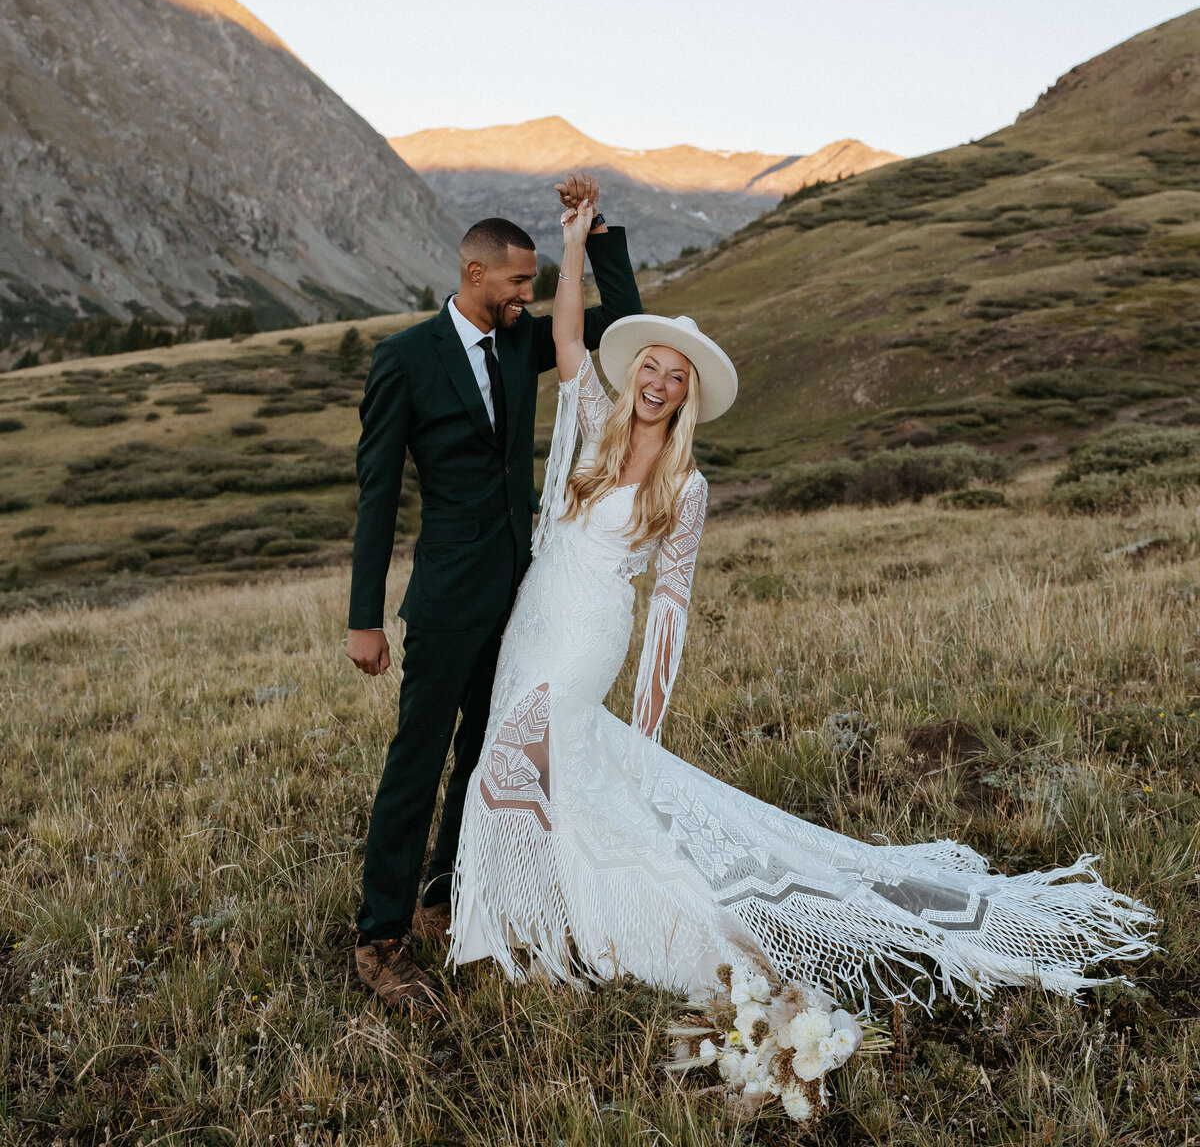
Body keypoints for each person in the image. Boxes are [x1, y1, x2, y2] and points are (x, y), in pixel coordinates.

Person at [449, 199, 1153, 1006]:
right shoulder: (593, 422)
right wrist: (573, 246)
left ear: (685, 399)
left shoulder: (689, 484)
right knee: (532, 761)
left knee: (526, 755)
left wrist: (650, 704)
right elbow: (568, 337)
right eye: (652, 367)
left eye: (676, 380)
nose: (658, 384)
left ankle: (613, 922)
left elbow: (672, 601)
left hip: (587, 635)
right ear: (635, 368)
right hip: (536, 614)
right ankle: (529, 915)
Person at [346, 174, 642, 1006]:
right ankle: (380, 939)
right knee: (417, 760)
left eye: (533, 284)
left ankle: (445, 896)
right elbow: (376, 494)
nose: (529, 296)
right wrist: (363, 618)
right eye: (519, 282)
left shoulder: (520, 341)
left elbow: (616, 323)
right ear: (476, 273)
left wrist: (597, 231)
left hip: (521, 597)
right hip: (443, 600)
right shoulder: (403, 360)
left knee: (482, 754)